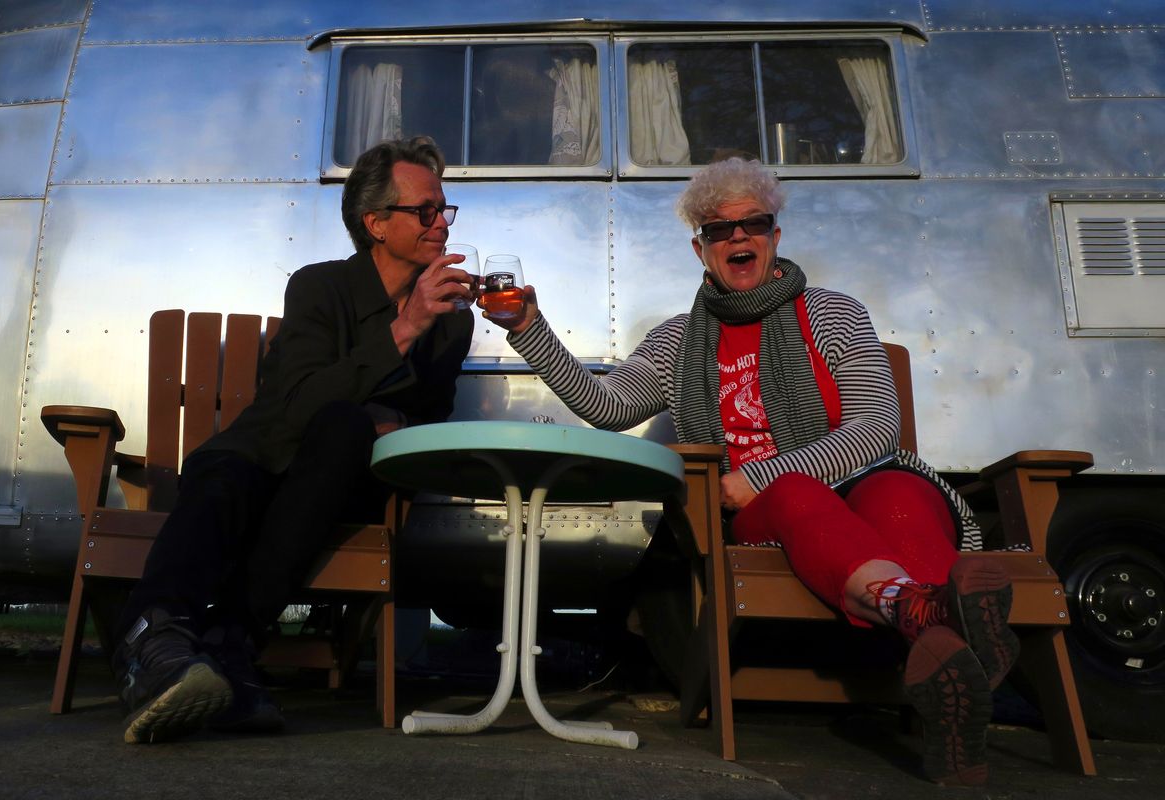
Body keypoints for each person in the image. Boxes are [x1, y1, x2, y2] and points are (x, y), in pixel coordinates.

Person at [487, 157, 1016, 786]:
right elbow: (609, 406)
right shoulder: (681, 338)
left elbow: (878, 428)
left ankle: (932, 640)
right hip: (769, 514)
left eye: (754, 224)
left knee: (903, 488)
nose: (739, 237)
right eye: (720, 229)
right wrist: (527, 326)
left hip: (866, 478)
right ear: (700, 248)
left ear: (775, 236)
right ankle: (958, 634)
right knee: (795, 490)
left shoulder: (834, 313)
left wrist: (762, 471)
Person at [111, 136, 475, 744]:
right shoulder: (319, 287)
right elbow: (298, 404)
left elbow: (426, 419)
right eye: (426, 211)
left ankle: (197, 655)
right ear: (377, 223)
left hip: (344, 486)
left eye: (445, 210)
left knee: (343, 427)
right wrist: (403, 331)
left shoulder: (452, 320)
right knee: (232, 468)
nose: (441, 223)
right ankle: (167, 640)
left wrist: (393, 411)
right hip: (259, 459)